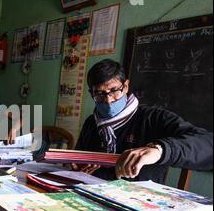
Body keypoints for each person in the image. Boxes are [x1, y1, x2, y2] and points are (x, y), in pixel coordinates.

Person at [73, 58, 213, 183]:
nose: (108, 100)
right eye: (99, 93)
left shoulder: (153, 118)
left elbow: (207, 144)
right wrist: (76, 165)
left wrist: (159, 150)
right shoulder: (92, 122)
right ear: (92, 93)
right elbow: (78, 160)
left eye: (114, 90)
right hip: (92, 195)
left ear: (126, 86)